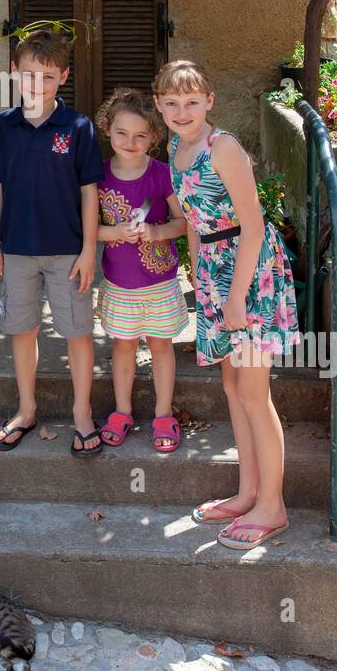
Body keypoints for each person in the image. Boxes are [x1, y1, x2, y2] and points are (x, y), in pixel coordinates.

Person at [153, 59, 301, 549]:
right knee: (235, 388)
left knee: (256, 394)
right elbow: (196, 222)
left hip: (251, 273)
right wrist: (198, 280)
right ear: (159, 105)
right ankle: (248, 492)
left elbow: (253, 224)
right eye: (171, 103)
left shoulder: (225, 148)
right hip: (217, 274)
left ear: (209, 101)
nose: (182, 110)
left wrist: (236, 295)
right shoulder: (175, 147)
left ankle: (273, 507)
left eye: (192, 102)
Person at [0, 30, 105, 456]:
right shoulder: (2, 126)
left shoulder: (78, 127)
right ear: (15, 72)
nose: (38, 84)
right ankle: (26, 408)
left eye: (49, 77)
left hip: (67, 252)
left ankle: (82, 413)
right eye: (30, 75)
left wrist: (89, 250)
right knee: (22, 329)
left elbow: (90, 190)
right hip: (16, 249)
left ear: (64, 77)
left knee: (76, 331)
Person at [94, 87, 188, 452]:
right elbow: (85, 229)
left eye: (140, 135)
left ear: (154, 137)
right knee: (123, 347)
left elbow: (182, 223)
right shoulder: (98, 177)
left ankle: (164, 414)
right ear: (107, 129)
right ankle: (122, 411)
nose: (130, 142)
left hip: (160, 282)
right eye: (122, 133)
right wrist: (115, 232)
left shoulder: (162, 175)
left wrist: (156, 232)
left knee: (162, 347)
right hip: (119, 284)